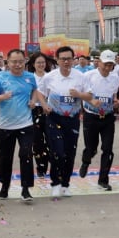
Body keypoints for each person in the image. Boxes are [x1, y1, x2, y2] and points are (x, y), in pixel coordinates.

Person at [0, 48, 47, 203]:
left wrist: (33, 101)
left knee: (26, 154)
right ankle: (5, 185)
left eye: (21, 61)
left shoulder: (29, 77)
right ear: (8, 62)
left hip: (25, 124)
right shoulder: (1, 78)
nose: (18, 65)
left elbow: (35, 90)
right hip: (6, 125)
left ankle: (26, 189)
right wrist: (3, 96)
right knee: (5, 157)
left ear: (25, 62)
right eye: (14, 62)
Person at [39, 46, 91, 198]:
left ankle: (65, 184)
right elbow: (40, 93)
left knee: (69, 152)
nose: (66, 62)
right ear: (57, 60)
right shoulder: (50, 77)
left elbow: (89, 95)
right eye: (63, 59)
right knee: (57, 153)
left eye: (69, 58)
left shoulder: (81, 77)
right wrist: (44, 105)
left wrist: (79, 94)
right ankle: (55, 183)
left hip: (72, 119)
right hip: (54, 118)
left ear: (73, 59)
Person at [78, 49, 119, 190]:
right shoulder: (88, 76)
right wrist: (91, 101)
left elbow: (114, 96)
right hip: (91, 116)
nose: (108, 67)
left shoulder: (115, 78)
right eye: (106, 64)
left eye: (111, 64)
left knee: (108, 149)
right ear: (99, 63)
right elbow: (82, 95)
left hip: (108, 117)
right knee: (91, 148)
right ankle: (86, 161)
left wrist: (116, 102)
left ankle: (103, 180)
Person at [27, 52, 53, 177]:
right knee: (37, 141)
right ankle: (41, 167)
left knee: (51, 139)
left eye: (43, 62)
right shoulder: (29, 77)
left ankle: (51, 163)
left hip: (49, 111)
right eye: (38, 62)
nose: (41, 65)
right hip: (34, 111)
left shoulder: (50, 76)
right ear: (33, 64)